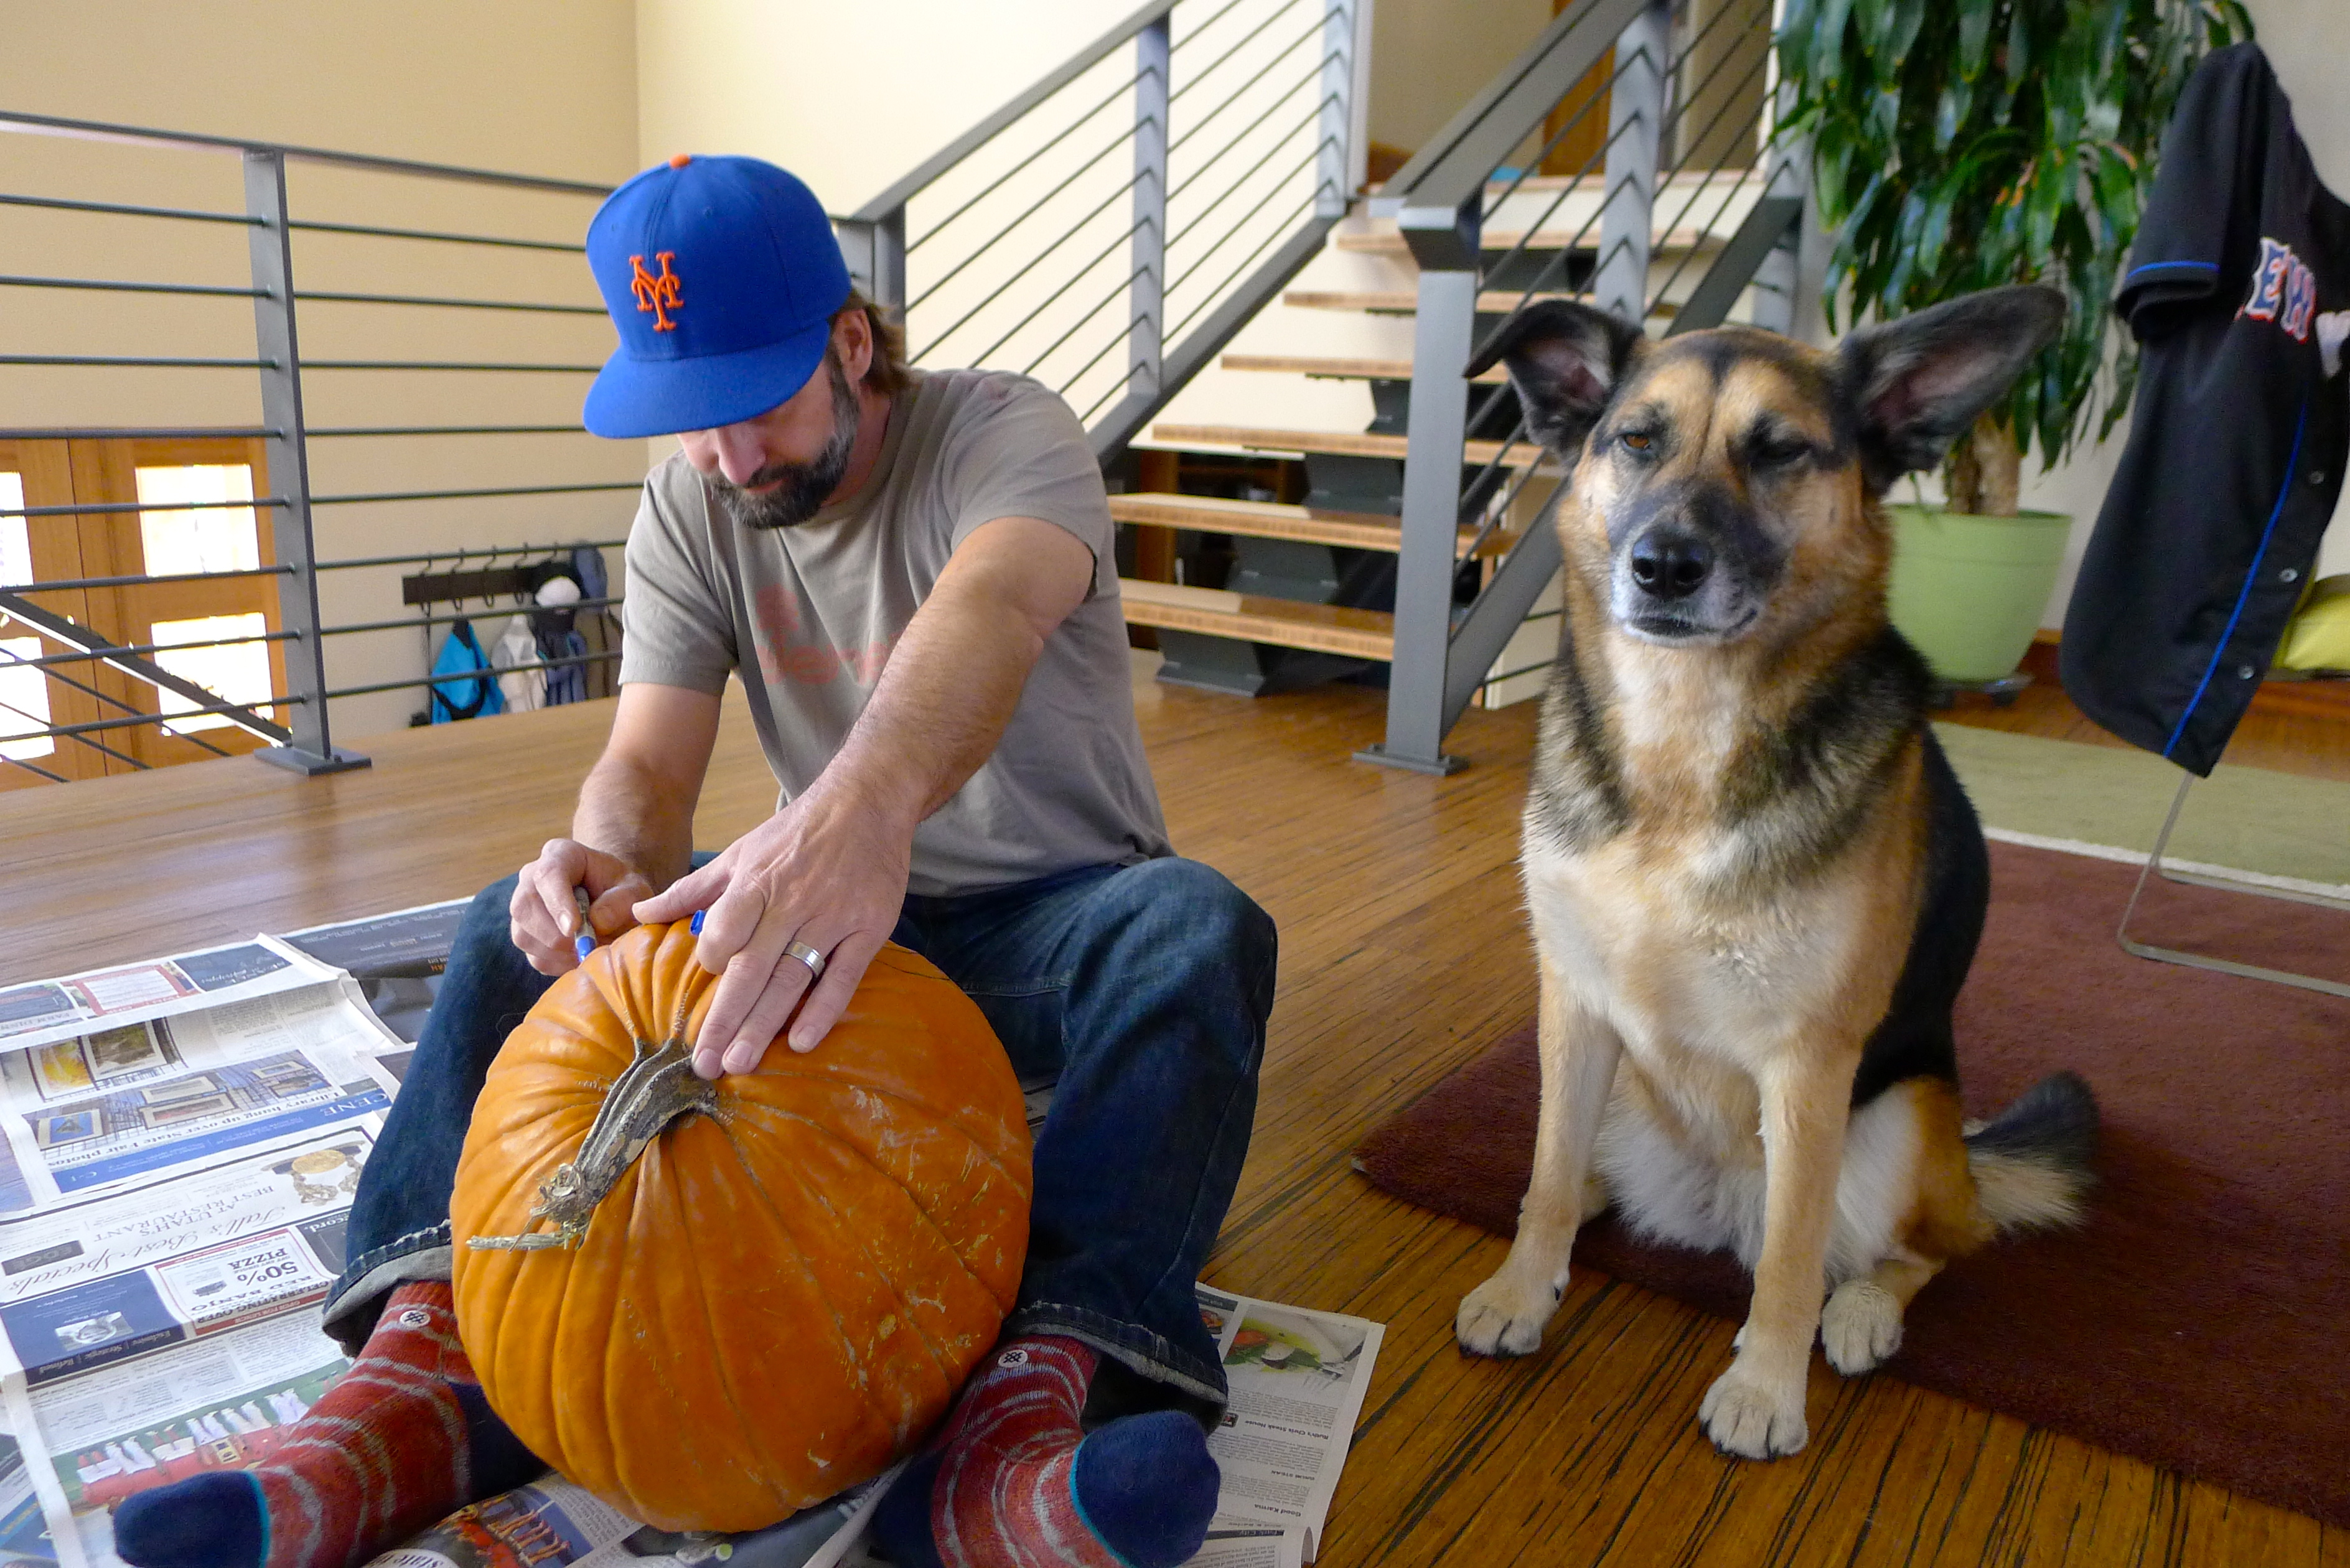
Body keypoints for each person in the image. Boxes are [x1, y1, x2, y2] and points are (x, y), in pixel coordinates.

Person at [114, 154, 1276, 1568]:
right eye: (692, 420)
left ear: (852, 342)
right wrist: (599, 870)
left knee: (1196, 928)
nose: (728, 459)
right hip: (817, 930)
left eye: (757, 405)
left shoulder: (1005, 432)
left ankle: (1029, 1408)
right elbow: (652, 769)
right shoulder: (690, 504)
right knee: (501, 925)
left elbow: (992, 607)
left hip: (1047, 923)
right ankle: (427, 1375)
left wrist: (860, 818)